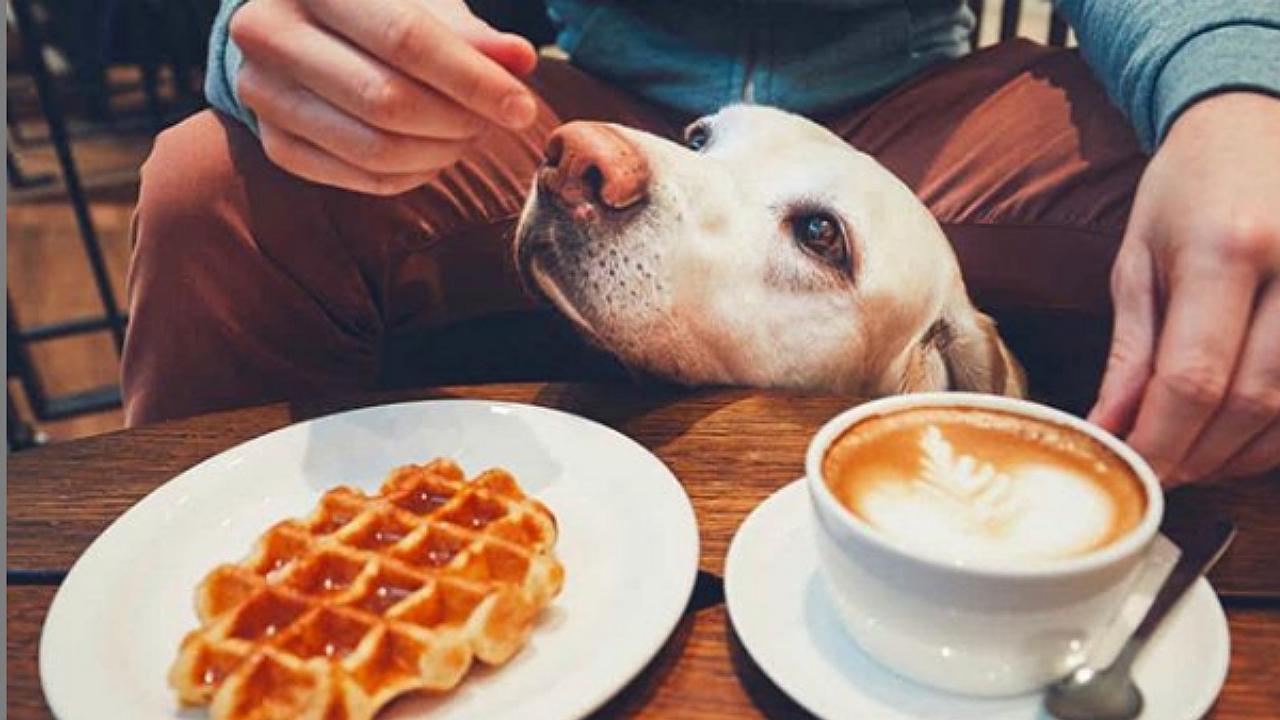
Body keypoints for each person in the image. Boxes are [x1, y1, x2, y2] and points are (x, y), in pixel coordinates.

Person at [122, 0, 1280, 486]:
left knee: (1236, 229)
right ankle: (206, 582)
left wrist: (1234, 89)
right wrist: (280, 36)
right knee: (215, 181)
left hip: (926, 96)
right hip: (597, 85)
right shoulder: (610, 152)